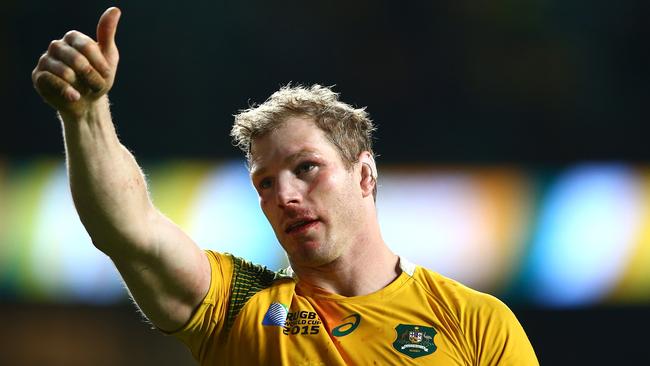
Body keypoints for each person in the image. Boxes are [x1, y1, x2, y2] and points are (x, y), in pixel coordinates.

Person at [32, 7, 539, 365]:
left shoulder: (475, 322)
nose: (285, 196)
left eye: (306, 168)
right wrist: (86, 114)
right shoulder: (239, 306)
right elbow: (130, 230)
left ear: (364, 175)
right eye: (265, 183)